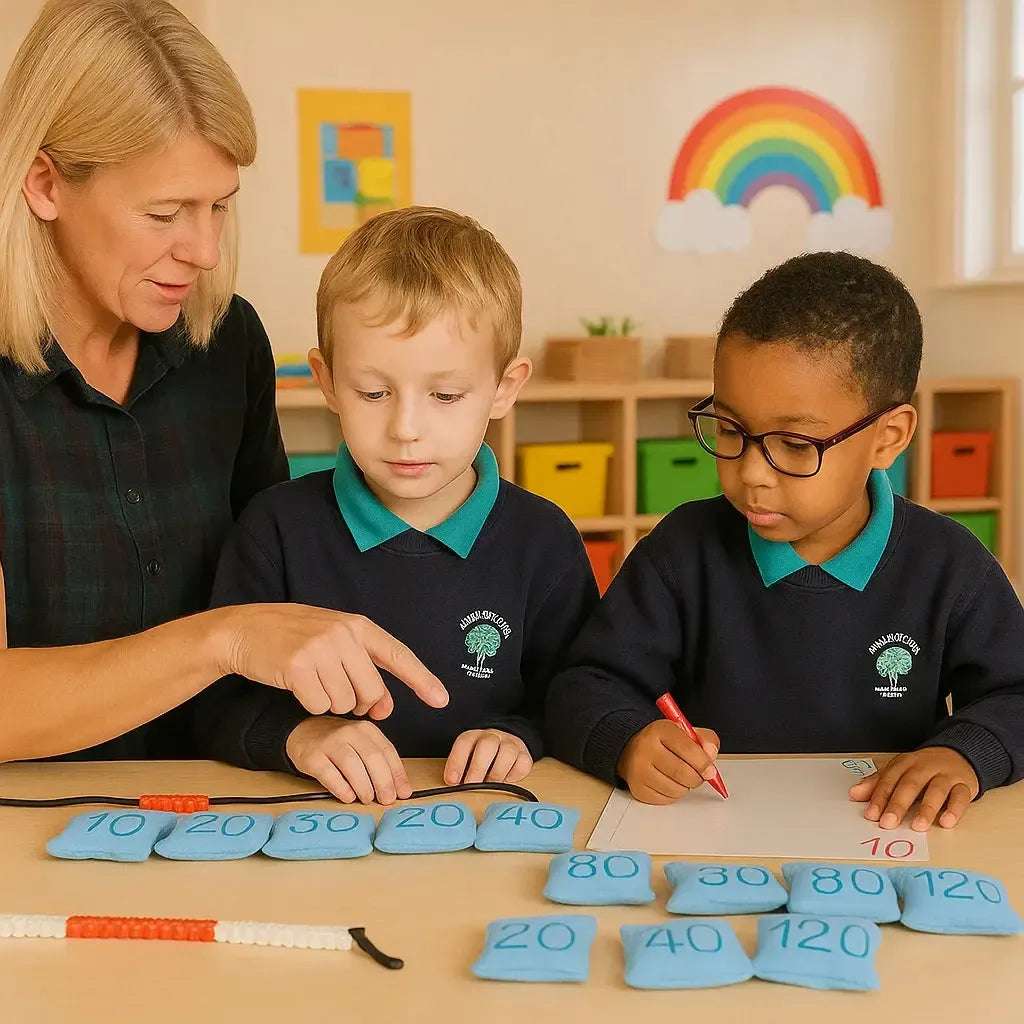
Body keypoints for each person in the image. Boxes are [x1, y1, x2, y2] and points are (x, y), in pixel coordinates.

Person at [0, 0, 446, 765]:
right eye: (166, 212)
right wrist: (225, 640)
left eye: (219, 207)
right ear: (44, 183)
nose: (205, 251)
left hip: (228, 804)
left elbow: (280, 583)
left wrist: (307, 726)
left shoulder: (226, 342)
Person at [545, 251, 1024, 832]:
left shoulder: (950, 567)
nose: (751, 473)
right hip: (710, 834)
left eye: (796, 444)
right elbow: (582, 684)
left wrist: (966, 754)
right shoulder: (680, 552)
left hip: (883, 839)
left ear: (888, 437)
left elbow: (1014, 694)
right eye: (729, 430)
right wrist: (626, 739)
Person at [195, 206, 599, 803]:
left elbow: (578, 691)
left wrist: (517, 734)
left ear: (504, 388)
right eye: (374, 392)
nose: (406, 428)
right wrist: (298, 735)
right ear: (327, 381)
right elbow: (212, 706)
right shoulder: (274, 531)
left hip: (482, 820)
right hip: (312, 826)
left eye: (445, 395)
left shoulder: (543, 541)